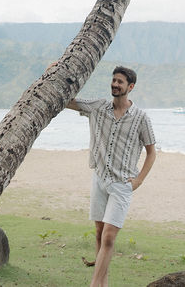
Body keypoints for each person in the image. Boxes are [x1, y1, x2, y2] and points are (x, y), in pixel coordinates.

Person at [63, 65, 157, 287]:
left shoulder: (141, 118)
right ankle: (102, 283)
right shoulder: (98, 107)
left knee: (108, 237)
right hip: (99, 179)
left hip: (122, 184)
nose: (115, 84)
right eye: (114, 80)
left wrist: (139, 180)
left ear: (130, 87)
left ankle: (94, 285)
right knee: (98, 233)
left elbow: (152, 152)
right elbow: (68, 102)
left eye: (120, 82)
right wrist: (55, 72)